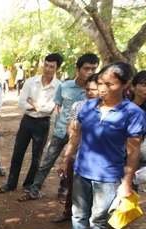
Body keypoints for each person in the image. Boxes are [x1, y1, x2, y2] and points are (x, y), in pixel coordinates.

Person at [56, 62, 146, 229]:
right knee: (78, 212)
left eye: (110, 84)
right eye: (101, 83)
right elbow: (76, 136)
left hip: (108, 176)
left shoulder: (134, 114)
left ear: (126, 85)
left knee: (98, 216)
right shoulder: (87, 106)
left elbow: (133, 151)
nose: (103, 88)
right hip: (81, 170)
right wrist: (66, 159)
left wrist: (127, 181)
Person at [17, 53, 99, 203]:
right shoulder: (65, 87)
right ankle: (34, 190)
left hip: (81, 136)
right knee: (46, 163)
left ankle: (63, 191)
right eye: (86, 68)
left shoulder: (97, 92)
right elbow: (58, 107)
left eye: (93, 69)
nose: (90, 72)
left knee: (71, 165)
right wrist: (61, 124)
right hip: (60, 131)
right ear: (77, 69)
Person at [0, 53, 63, 193]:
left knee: (37, 156)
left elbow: (48, 109)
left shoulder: (59, 86)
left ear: (57, 69)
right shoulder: (31, 82)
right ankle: (11, 183)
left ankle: (29, 184)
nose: (47, 69)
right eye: (46, 65)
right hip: (26, 121)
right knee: (17, 153)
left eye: (51, 66)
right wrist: (37, 105)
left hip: (42, 123)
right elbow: (21, 103)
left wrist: (31, 101)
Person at [51, 73, 100, 223]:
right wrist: (76, 147)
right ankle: (68, 213)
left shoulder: (107, 109)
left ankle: (91, 219)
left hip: (98, 156)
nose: (90, 92)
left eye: (94, 89)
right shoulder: (78, 106)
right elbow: (71, 128)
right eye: (88, 89)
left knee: (94, 191)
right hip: (79, 151)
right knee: (72, 186)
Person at [131, 71, 146, 192]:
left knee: (130, 187)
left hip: (137, 156)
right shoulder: (122, 105)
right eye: (144, 85)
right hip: (117, 153)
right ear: (133, 86)